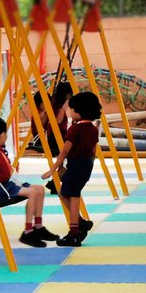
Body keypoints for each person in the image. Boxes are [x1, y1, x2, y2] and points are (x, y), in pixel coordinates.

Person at [0, 116, 57, 247]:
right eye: (6, 133)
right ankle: (28, 231)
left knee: (40, 189)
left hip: (8, 184)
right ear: (1, 135)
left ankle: (38, 226)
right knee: (33, 193)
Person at [54, 90, 102, 247]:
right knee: (63, 192)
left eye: (71, 109)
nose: (69, 112)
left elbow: (65, 150)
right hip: (85, 164)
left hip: (77, 164)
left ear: (79, 111)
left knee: (73, 196)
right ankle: (81, 223)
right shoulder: (93, 128)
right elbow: (94, 149)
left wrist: (55, 167)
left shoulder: (75, 129)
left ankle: (74, 233)